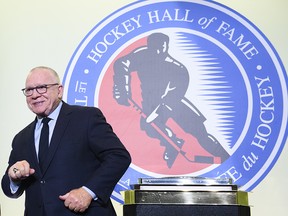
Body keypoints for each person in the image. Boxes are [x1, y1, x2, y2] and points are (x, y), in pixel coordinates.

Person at [1, 66, 131, 216]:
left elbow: (119, 157)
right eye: (29, 90)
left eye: (42, 88)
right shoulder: (21, 138)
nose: (35, 95)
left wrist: (88, 192)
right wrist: (13, 177)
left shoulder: (86, 118)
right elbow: (9, 189)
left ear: (59, 90)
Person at [113, 32, 229, 168]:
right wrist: (123, 88)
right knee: (148, 126)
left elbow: (171, 98)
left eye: (160, 47)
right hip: (150, 104)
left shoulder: (178, 69)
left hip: (176, 105)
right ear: (149, 46)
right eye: (153, 47)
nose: (157, 51)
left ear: (166, 47)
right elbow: (122, 63)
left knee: (200, 133)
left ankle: (226, 158)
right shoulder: (142, 55)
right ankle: (173, 143)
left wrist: (154, 115)